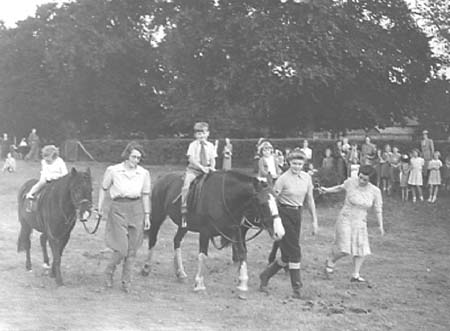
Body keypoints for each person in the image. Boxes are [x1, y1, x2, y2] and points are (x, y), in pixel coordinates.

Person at [259, 150, 318, 299]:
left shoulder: (306, 178)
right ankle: (297, 288)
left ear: (304, 164)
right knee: (295, 252)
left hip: (297, 214)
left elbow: (309, 199)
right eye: (294, 163)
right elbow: (273, 199)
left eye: (300, 164)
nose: (297, 166)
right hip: (284, 214)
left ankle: (265, 275)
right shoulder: (283, 179)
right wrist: (273, 219)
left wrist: (314, 220)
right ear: (289, 163)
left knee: (286, 256)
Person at [97, 141, 151, 292]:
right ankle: (109, 271)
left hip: (136, 209)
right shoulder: (114, 170)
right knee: (121, 249)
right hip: (118, 208)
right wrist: (99, 207)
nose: (136, 161)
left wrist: (147, 216)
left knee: (132, 250)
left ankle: (126, 282)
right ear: (127, 156)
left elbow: (146, 195)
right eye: (134, 157)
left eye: (139, 158)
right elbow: (103, 188)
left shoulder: (144, 173)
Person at [320, 165, 384, 283]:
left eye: (365, 180)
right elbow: (340, 188)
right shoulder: (350, 182)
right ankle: (330, 260)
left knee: (361, 248)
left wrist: (381, 225)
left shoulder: (375, 191)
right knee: (344, 248)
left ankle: (355, 274)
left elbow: (378, 208)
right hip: (346, 218)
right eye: (360, 177)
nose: (362, 181)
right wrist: (327, 190)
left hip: (360, 221)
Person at [181, 122, 216, 227]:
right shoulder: (193, 145)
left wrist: (212, 167)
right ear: (195, 135)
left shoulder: (210, 145)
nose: (201, 136)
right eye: (198, 134)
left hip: (208, 168)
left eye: (203, 133)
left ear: (207, 134)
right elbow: (191, 159)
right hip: (194, 170)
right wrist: (202, 168)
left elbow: (213, 158)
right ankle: (184, 209)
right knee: (186, 185)